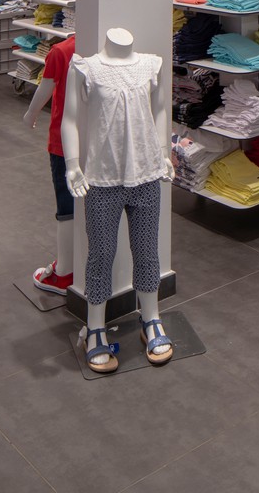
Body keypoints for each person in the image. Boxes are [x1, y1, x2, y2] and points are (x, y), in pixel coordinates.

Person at [61, 27, 174, 374]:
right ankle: (95, 326)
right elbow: (70, 118)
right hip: (102, 178)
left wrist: (164, 153)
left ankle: (151, 318)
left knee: (147, 250)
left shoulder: (152, 65)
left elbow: (160, 111)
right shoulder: (86, 68)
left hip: (146, 175)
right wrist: (72, 165)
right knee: (100, 254)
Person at [23, 34, 76, 295]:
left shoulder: (61, 51)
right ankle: (84, 264)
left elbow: (46, 87)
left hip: (64, 143)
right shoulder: (102, 47)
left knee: (67, 208)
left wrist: (30, 114)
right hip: (99, 144)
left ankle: (64, 273)